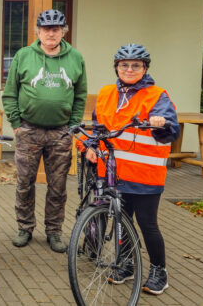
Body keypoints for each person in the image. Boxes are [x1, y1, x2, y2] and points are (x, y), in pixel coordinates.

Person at [78, 44, 179, 295]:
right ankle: (127, 264)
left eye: (136, 65)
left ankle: (159, 270)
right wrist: (90, 146)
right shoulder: (106, 93)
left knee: (147, 224)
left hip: (144, 175)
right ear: (117, 67)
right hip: (112, 172)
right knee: (122, 221)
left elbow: (170, 131)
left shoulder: (157, 96)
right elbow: (97, 127)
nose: (130, 69)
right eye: (125, 65)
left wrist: (160, 123)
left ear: (145, 68)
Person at [2, 9, 87, 253]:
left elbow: (80, 96)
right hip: (29, 130)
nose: (51, 33)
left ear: (63, 31)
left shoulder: (76, 58)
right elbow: (10, 93)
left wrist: (73, 126)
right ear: (37, 31)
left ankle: (54, 231)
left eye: (56, 29)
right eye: (46, 29)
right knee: (25, 183)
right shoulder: (24, 55)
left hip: (60, 132)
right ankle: (25, 228)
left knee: (58, 185)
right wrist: (17, 124)